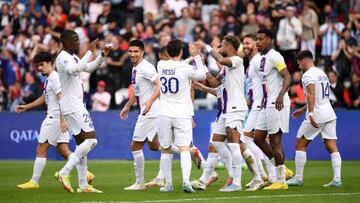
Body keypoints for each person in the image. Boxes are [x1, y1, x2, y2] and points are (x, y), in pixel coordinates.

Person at [16, 51, 94, 189]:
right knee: (63, 150)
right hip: (59, 119)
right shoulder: (50, 79)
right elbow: (44, 98)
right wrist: (26, 107)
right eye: (37, 66)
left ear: (50, 63)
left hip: (54, 118)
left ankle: (34, 182)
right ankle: (85, 173)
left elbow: (61, 97)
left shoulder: (55, 78)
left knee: (41, 149)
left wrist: (62, 120)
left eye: (41, 65)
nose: (39, 68)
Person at [196, 35, 262, 192]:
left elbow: (221, 59)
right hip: (225, 110)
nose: (221, 48)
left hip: (235, 109)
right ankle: (256, 177)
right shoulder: (226, 68)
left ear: (231, 47)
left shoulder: (237, 61)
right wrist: (200, 62)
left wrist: (206, 46)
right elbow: (214, 83)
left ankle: (236, 183)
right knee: (217, 143)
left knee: (234, 145)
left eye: (223, 46)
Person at [54, 30, 110, 193]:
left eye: (78, 40)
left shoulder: (72, 56)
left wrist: (101, 55)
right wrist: (90, 51)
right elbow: (75, 70)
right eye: (74, 40)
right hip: (73, 105)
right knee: (91, 141)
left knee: (81, 145)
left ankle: (83, 185)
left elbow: (88, 68)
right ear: (64, 41)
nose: (78, 43)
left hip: (74, 104)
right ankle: (64, 172)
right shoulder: (63, 57)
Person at [157, 39, 207, 193]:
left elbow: (176, 66)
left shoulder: (161, 65)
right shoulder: (186, 69)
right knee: (185, 149)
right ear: (180, 52)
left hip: (164, 114)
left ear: (167, 52)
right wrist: (196, 57)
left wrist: (189, 59)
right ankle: (186, 181)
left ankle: (168, 184)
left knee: (166, 149)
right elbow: (203, 74)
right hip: (182, 114)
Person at [287, 50, 342, 188]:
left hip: (317, 114)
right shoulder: (321, 73)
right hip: (329, 112)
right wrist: (302, 109)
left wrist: (310, 114)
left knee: (300, 143)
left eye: (299, 63)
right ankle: (337, 180)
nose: (299, 66)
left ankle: (298, 178)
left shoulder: (308, 75)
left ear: (304, 61)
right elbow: (319, 96)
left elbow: (311, 94)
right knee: (331, 145)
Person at [119, 40, 162, 190]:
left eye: (136, 51)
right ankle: (190, 152)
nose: (132, 54)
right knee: (155, 145)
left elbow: (159, 86)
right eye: (130, 51)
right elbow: (137, 91)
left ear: (142, 52)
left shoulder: (146, 67)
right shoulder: (135, 68)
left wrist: (149, 102)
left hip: (149, 111)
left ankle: (140, 183)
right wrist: (127, 105)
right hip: (147, 110)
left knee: (135, 145)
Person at [253, 28, 292, 190]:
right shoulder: (262, 58)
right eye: (257, 39)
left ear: (270, 40)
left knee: (275, 142)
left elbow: (287, 76)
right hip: (267, 103)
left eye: (261, 39)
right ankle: (281, 170)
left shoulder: (275, 56)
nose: (258, 42)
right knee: (258, 138)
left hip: (277, 103)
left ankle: (281, 181)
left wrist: (281, 95)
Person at [242, 34, 274, 186]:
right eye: (243, 43)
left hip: (260, 105)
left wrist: (261, 101)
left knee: (248, 139)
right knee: (259, 140)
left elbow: (265, 82)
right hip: (256, 104)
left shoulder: (257, 61)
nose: (245, 46)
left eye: (248, 43)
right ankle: (267, 175)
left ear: (256, 44)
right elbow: (253, 85)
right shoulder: (251, 63)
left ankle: (265, 175)